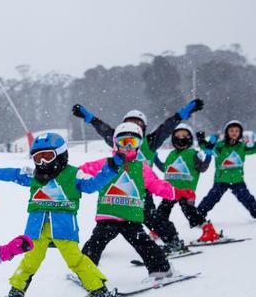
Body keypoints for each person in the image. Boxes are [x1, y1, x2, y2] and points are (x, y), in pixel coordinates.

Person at [0, 133, 123, 297]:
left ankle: (100, 292)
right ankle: (16, 291)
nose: (42, 163)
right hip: (37, 227)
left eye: (47, 157)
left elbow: (92, 185)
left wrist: (112, 168)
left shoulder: (73, 174)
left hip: (63, 227)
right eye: (37, 158)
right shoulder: (33, 175)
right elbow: (11, 174)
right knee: (31, 259)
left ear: (61, 155)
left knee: (75, 260)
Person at [72, 99, 204, 251]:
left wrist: (183, 113)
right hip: (115, 188)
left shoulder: (150, 141)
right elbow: (103, 129)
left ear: (144, 128)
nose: (134, 126)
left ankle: (172, 240)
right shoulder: (118, 138)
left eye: (138, 123)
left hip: (143, 187)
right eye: (130, 122)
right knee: (110, 222)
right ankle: (95, 248)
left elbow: (167, 127)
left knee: (150, 216)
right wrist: (89, 117)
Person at [79, 122, 195, 279]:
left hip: (131, 217)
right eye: (123, 141)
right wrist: (65, 175)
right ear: (115, 143)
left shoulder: (142, 168)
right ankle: (86, 272)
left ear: (138, 146)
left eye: (132, 142)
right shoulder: (104, 164)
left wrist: (178, 192)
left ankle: (161, 269)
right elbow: (79, 172)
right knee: (95, 243)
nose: (127, 146)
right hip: (108, 215)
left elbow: (158, 186)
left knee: (144, 243)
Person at [154, 124, 214, 246]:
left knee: (190, 212)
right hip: (170, 191)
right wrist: (155, 159)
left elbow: (202, 168)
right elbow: (165, 168)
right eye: (178, 136)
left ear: (190, 139)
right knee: (161, 212)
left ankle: (209, 230)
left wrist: (208, 154)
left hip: (186, 192)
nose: (181, 139)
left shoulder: (193, 154)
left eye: (184, 136)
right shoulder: (171, 154)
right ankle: (159, 230)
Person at [196, 120, 256, 236]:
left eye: (237, 131)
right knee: (211, 198)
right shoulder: (220, 146)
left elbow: (253, 148)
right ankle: (197, 216)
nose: (234, 133)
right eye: (231, 130)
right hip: (221, 180)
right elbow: (208, 149)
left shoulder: (242, 147)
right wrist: (202, 141)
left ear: (240, 133)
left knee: (247, 199)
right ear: (227, 132)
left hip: (238, 180)